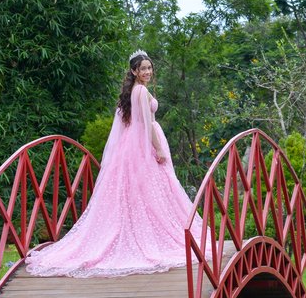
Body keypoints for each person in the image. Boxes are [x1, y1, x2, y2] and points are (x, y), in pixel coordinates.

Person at [26, 51, 200, 278]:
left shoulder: (131, 91)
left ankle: (140, 233)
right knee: (151, 189)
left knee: (139, 191)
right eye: (143, 69)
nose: (148, 72)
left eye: (150, 68)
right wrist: (158, 149)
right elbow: (147, 123)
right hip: (145, 143)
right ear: (134, 71)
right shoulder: (141, 90)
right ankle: (149, 237)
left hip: (132, 143)